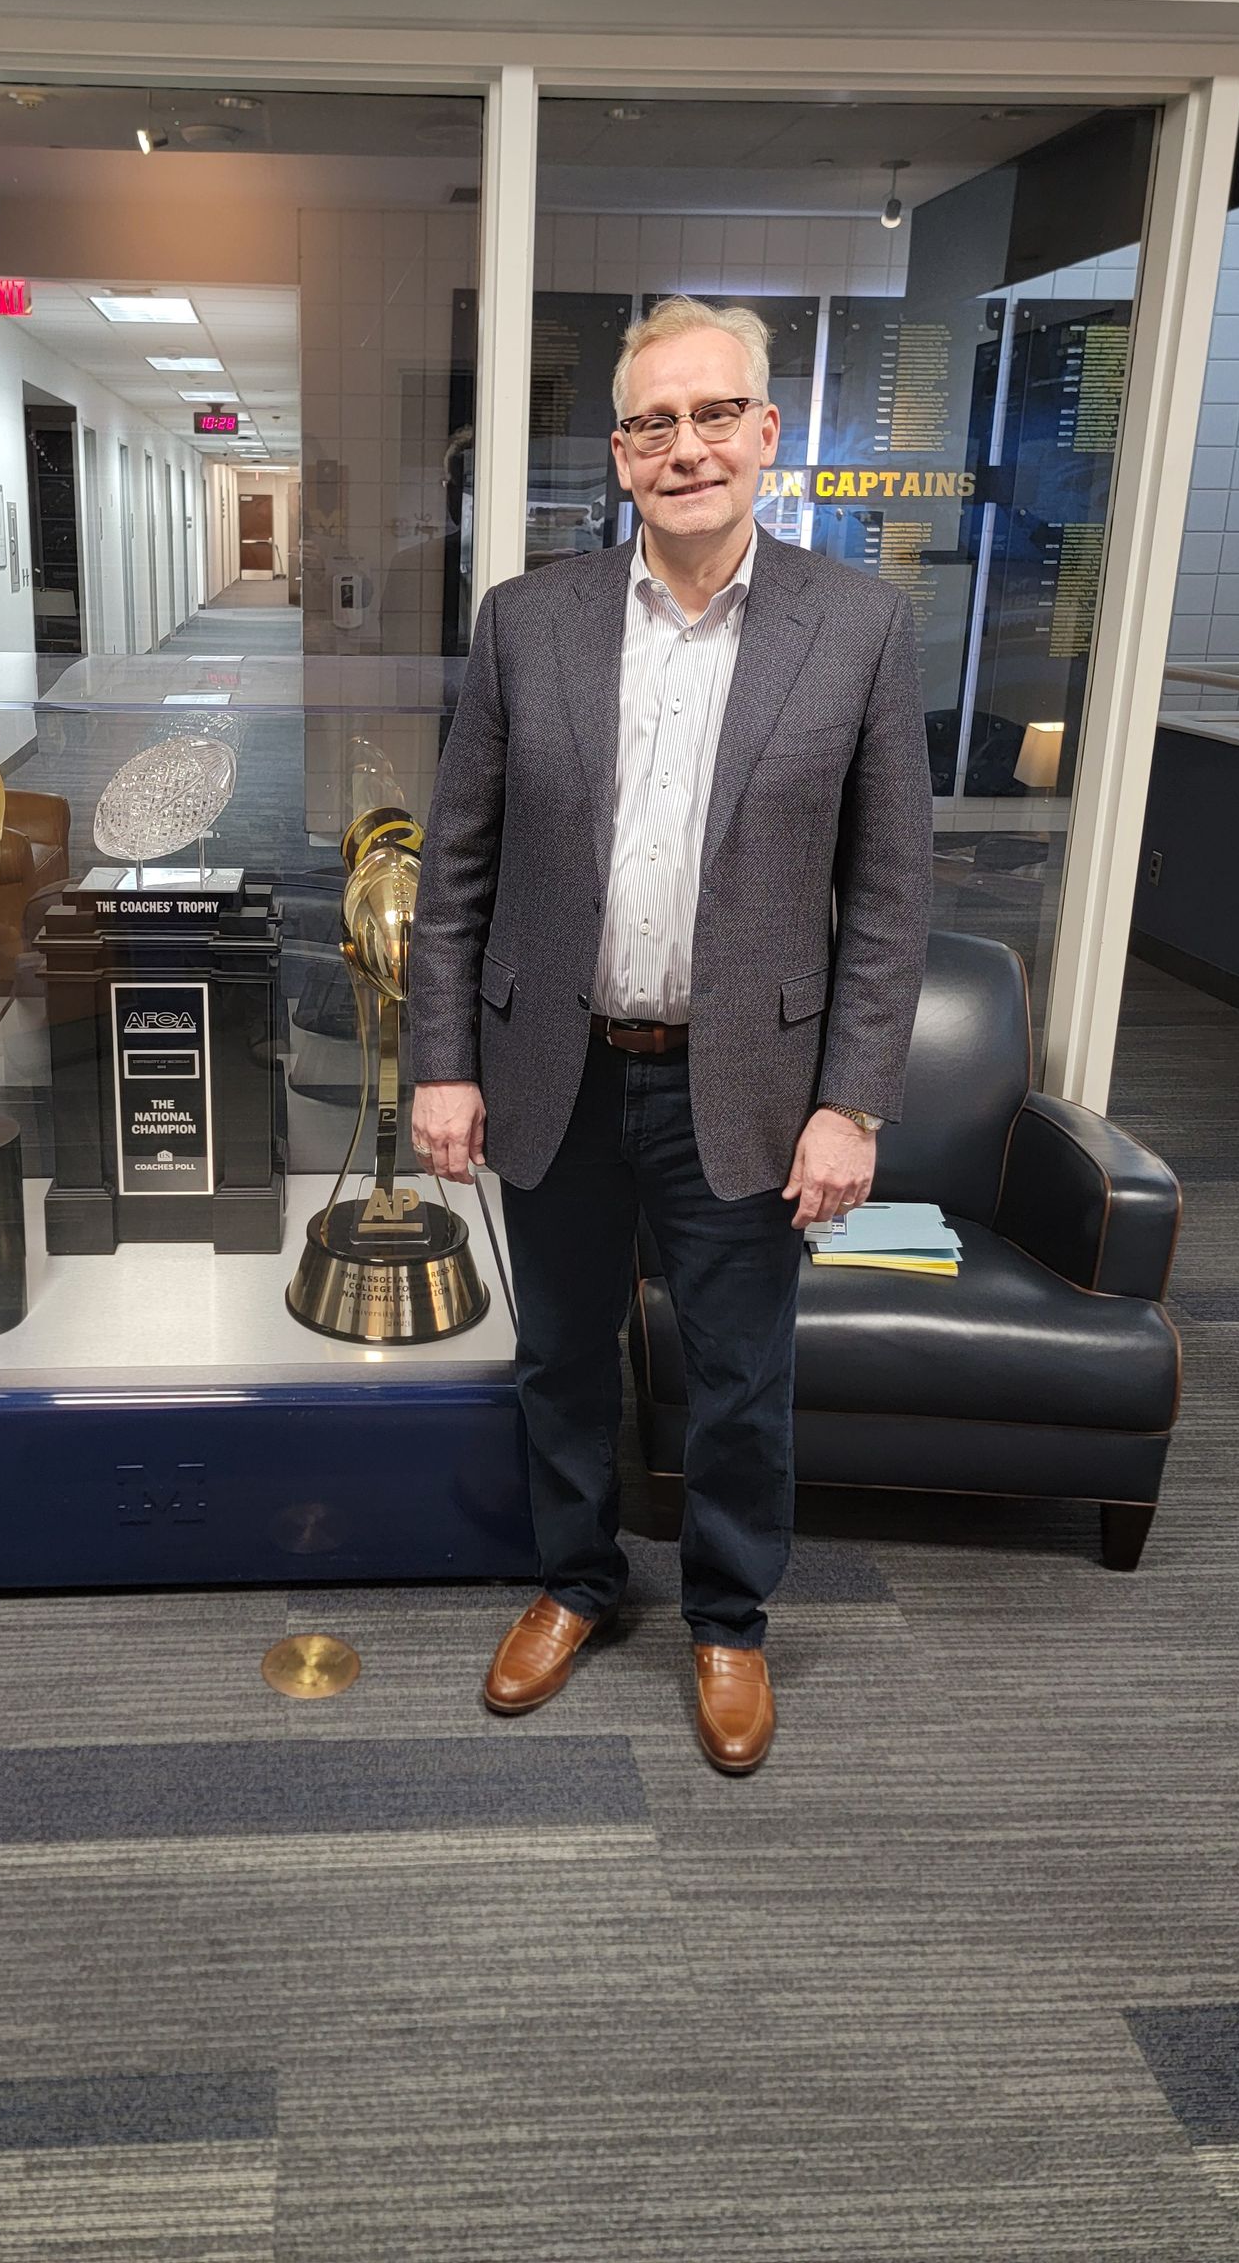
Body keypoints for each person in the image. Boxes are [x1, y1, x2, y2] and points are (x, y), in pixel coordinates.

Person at [408, 295, 932, 1775]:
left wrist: (854, 1105)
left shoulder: (860, 628)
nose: (685, 446)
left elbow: (889, 894)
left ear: (766, 435)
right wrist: (443, 1063)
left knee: (740, 1378)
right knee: (563, 1359)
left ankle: (728, 1620)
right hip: (553, 1079)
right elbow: (458, 867)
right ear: (623, 453)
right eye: (654, 422)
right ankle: (576, 1584)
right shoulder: (530, 621)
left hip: (748, 1081)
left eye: (715, 416)